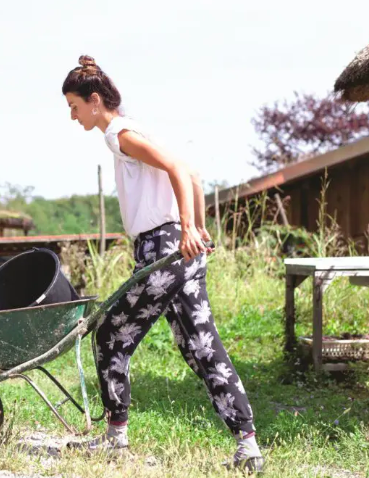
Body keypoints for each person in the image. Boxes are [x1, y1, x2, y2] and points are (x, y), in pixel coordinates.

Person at [62, 55, 263, 473]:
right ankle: (248, 445)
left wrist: (190, 227)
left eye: (74, 106)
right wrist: (199, 230)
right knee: (201, 346)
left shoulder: (117, 133)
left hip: (163, 249)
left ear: (94, 100)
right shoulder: (136, 128)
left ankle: (116, 437)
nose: (72, 116)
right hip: (181, 250)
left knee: (110, 335)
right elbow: (191, 172)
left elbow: (175, 168)